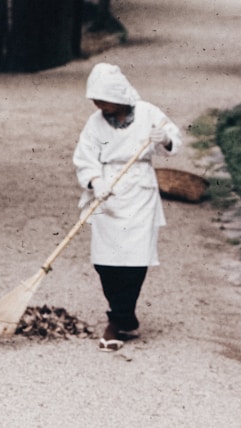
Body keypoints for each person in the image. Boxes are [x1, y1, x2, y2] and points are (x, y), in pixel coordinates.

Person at [73, 62, 182, 351]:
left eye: (102, 99)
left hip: (139, 190)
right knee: (104, 260)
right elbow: (84, 156)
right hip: (107, 190)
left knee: (134, 258)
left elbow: (172, 140)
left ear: (119, 95)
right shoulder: (94, 123)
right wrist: (96, 181)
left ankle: (118, 319)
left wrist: (166, 139)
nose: (98, 105)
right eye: (94, 100)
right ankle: (124, 313)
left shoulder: (148, 113)